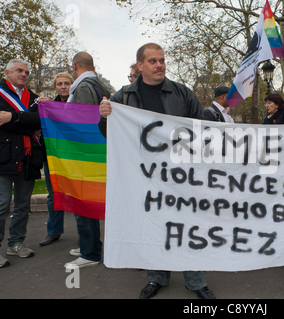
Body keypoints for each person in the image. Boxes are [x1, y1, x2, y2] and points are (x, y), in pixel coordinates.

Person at [99, 43, 214, 300]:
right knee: (152, 227)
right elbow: (109, 134)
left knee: (188, 226)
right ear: (139, 65)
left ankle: (196, 280)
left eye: (161, 60)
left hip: (181, 175)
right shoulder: (123, 97)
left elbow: (202, 128)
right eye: (152, 61)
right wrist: (105, 117)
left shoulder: (182, 92)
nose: (159, 65)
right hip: (144, 176)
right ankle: (157, 277)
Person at [64, 52, 111, 270]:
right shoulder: (100, 85)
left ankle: (90, 252)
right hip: (98, 152)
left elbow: (81, 122)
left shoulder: (83, 88)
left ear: (74, 66)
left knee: (83, 202)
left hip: (83, 154)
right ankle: (90, 245)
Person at [0, 59, 44, 268]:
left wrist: (13, 117)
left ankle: (15, 243)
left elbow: (39, 121)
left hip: (27, 159)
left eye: (27, 72)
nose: (24, 74)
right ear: (7, 72)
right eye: (19, 71)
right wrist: (26, 123)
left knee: (22, 205)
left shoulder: (34, 98)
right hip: (4, 157)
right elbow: (29, 124)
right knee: (1, 205)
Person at [39, 72, 74, 247]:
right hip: (53, 157)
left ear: (72, 85)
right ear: (55, 87)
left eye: (66, 83)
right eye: (59, 83)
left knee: (77, 194)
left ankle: (85, 235)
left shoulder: (77, 104)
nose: (62, 86)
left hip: (74, 158)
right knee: (53, 196)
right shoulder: (49, 106)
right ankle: (53, 231)